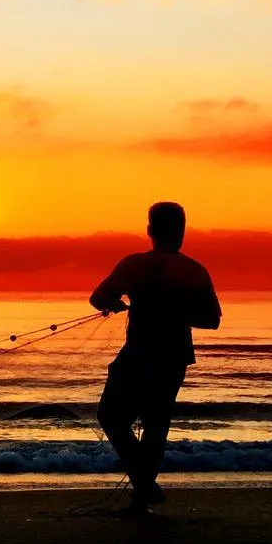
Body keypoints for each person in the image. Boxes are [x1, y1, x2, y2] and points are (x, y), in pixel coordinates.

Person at [90, 201, 221, 516]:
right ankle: (145, 488)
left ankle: (143, 492)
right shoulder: (193, 270)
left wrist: (118, 303)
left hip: (141, 354)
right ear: (182, 232)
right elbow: (212, 318)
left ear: (150, 230)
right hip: (172, 357)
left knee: (114, 416)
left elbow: (98, 297)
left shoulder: (134, 265)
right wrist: (178, 312)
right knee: (153, 424)